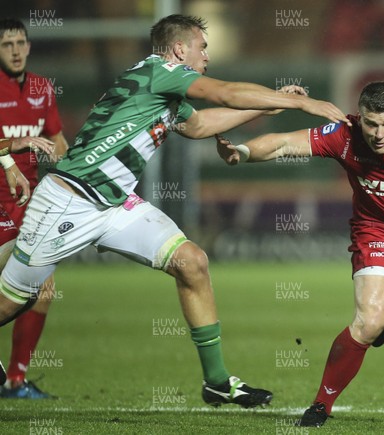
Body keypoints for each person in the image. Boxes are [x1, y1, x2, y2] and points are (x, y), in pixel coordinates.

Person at [0, 13, 350, 409]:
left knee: (191, 262)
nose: (206, 57)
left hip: (115, 203)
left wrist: (269, 109)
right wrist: (299, 103)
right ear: (179, 49)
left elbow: (200, 124)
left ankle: (217, 381)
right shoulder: (160, 71)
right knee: (13, 301)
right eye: (203, 48)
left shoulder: (164, 90)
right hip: (70, 199)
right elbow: (224, 92)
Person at [216, 81, 384, 425]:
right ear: (361, 119)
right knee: (368, 320)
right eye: (371, 124)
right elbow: (284, 143)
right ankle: (320, 406)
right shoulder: (343, 135)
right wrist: (242, 152)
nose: (378, 133)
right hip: (374, 233)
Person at [0, 18, 69, 399]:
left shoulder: (43, 87)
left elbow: (56, 140)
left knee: (43, 287)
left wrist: (79, 171)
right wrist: (17, 144)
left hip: (29, 201)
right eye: (7, 42)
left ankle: (15, 379)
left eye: (19, 42)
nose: (14, 49)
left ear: (28, 46)